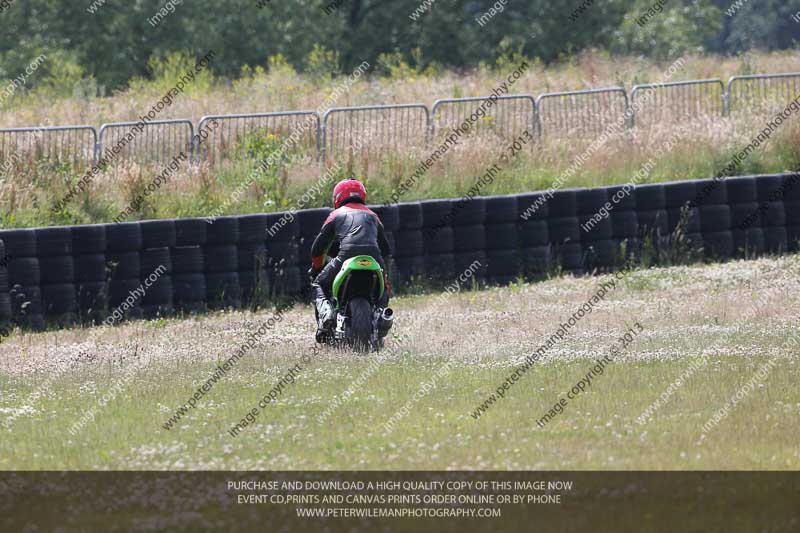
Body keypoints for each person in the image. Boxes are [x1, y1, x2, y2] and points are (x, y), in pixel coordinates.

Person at [309, 177, 391, 342]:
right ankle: (383, 316)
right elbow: (386, 249)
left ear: (338, 197)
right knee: (385, 287)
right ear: (362, 195)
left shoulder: (335, 215)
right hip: (374, 257)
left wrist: (317, 268)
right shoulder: (373, 216)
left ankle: (327, 314)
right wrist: (385, 272)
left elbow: (318, 248)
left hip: (346, 255)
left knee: (318, 283)